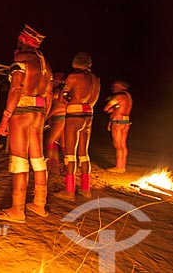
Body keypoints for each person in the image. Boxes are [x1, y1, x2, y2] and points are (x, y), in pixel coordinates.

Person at [0, 24, 53, 223]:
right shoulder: (45, 65)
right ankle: (39, 204)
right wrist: (43, 115)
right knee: (37, 160)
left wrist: (6, 117)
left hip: (22, 112)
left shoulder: (22, 60)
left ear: (23, 40)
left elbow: (16, 89)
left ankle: (18, 210)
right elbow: (49, 94)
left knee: (19, 161)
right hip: (38, 113)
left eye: (19, 39)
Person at [54, 52, 100, 201]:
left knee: (70, 154)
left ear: (74, 64)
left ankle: (69, 191)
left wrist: (63, 91)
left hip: (74, 115)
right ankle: (86, 190)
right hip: (89, 116)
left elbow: (62, 98)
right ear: (89, 65)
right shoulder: (96, 79)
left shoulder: (73, 77)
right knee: (84, 154)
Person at [104, 80, 133, 173]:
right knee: (122, 145)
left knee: (118, 145)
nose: (114, 88)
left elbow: (106, 108)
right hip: (126, 121)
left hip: (118, 122)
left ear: (122, 87)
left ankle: (119, 167)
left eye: (116, 86)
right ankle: (122, 166)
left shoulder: (118, 96)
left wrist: (111, 108)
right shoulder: (128, 97)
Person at [43, 72, 67, 179]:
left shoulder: (58, 92)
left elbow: (59, 108)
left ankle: (49, 168)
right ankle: (61, 168)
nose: (53, 82)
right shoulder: (63, 91)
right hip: (62, 119)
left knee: (50, 142)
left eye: (56, 80)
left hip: (60, 119)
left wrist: (47, 117)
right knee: (61, 144)